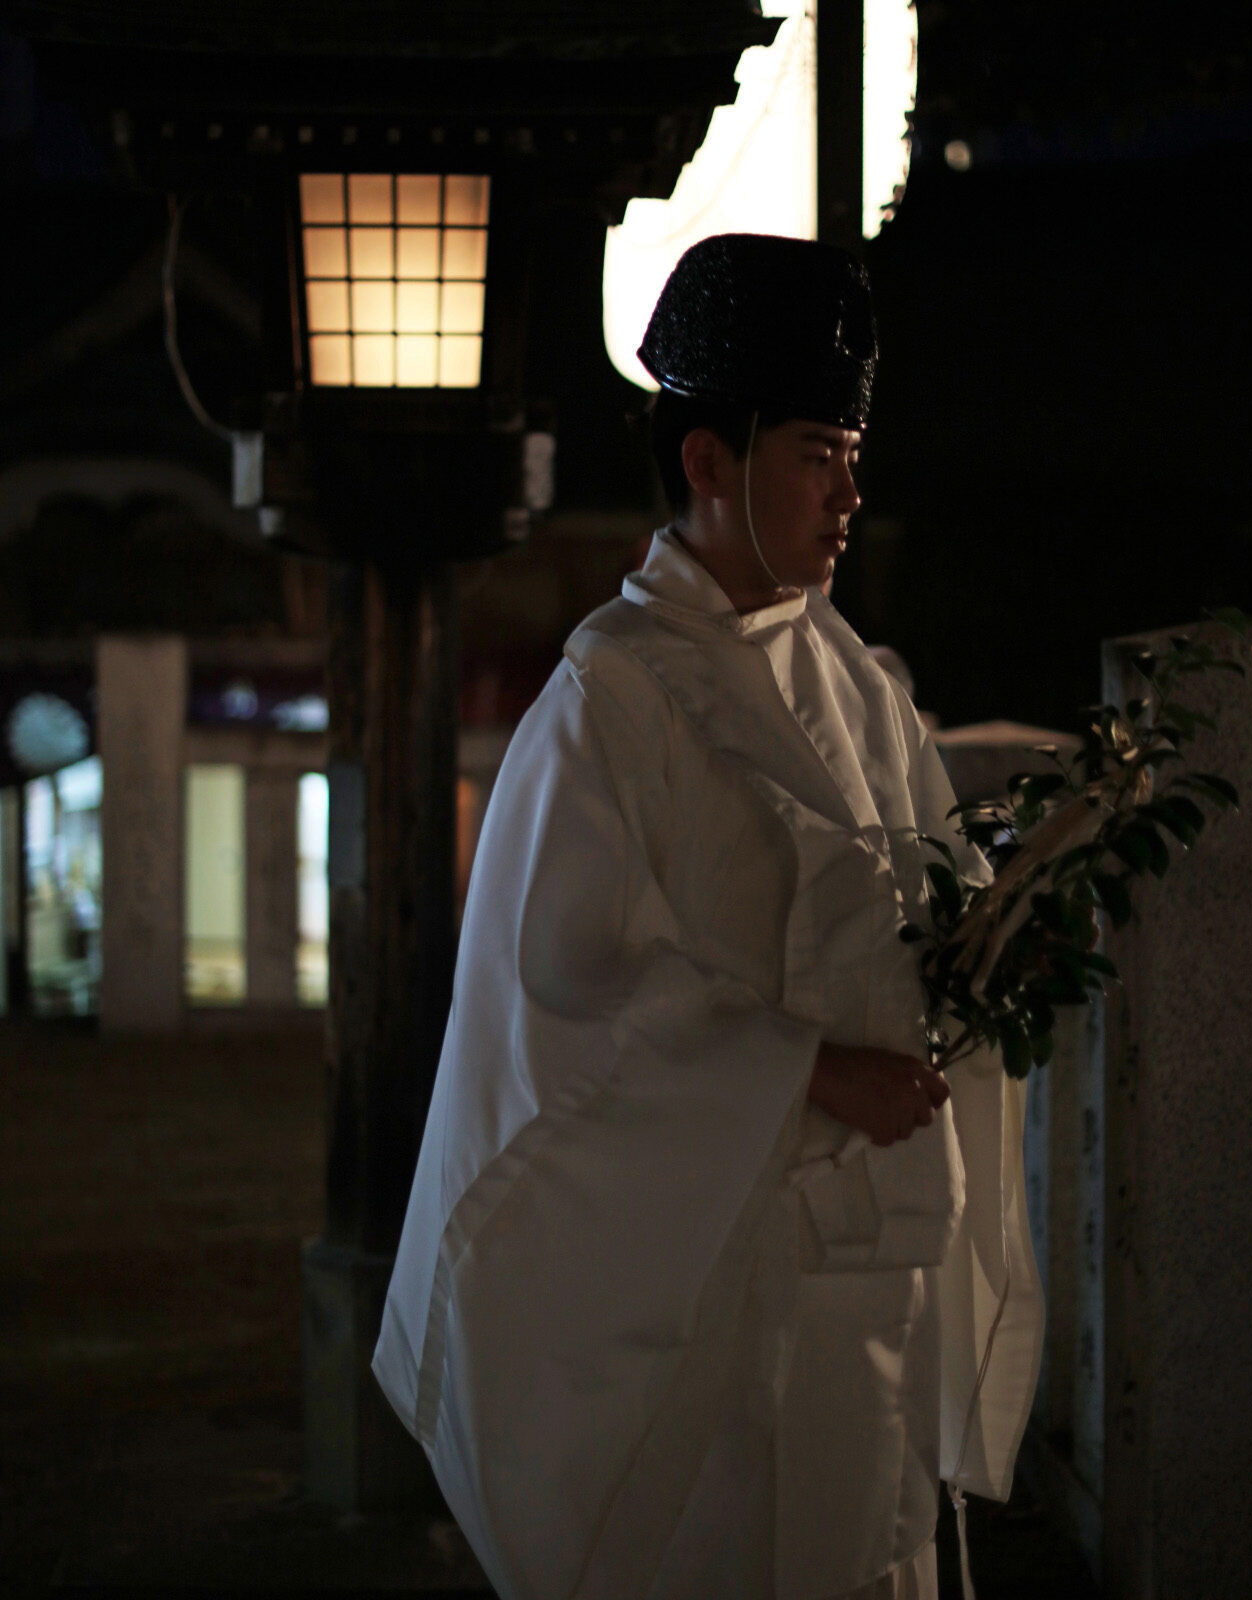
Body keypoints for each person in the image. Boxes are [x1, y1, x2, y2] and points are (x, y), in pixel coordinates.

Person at [373, 233, 1043, 1600]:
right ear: (706, 460)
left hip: (870, 1256)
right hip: (718, 1275)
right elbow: (573, 996)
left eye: (853, 452)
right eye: (814, 452)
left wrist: (1001, 920)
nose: (848, 492)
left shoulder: (848, 674)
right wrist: (805, 1070)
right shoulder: (607, 702)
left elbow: (921, 897)